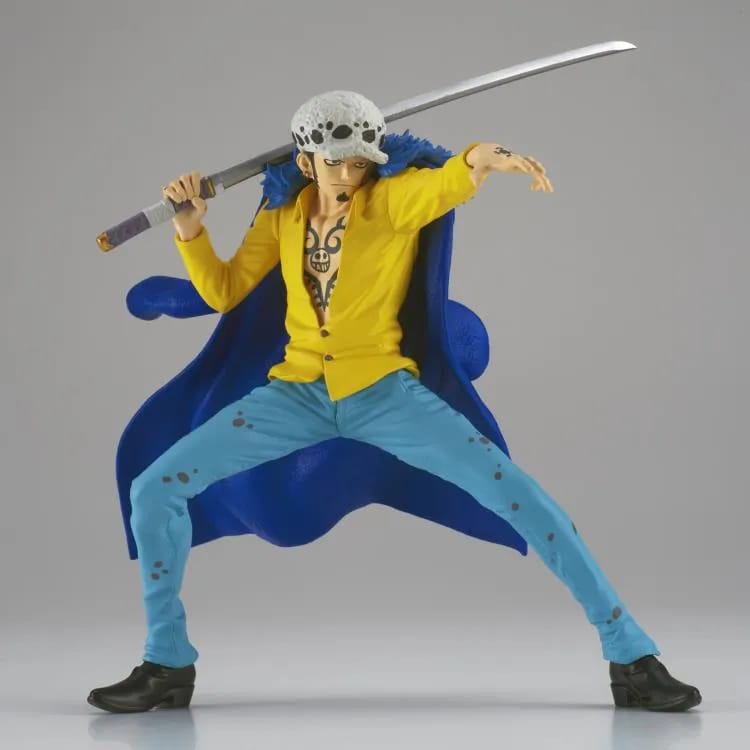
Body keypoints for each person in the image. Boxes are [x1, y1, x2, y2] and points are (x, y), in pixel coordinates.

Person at [88, 91, 701, 714]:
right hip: (294, 396)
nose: (348, 175)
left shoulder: (391, 204)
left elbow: (452, 179)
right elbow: (223, 291)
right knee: (154, 488)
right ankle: (167, 661)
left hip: (385, 395)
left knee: (522, 497)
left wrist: (488, 157)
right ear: (306, 162)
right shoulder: (281, 218)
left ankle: (631, 655)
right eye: (335, 162)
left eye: (360, 162)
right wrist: (190, 227)